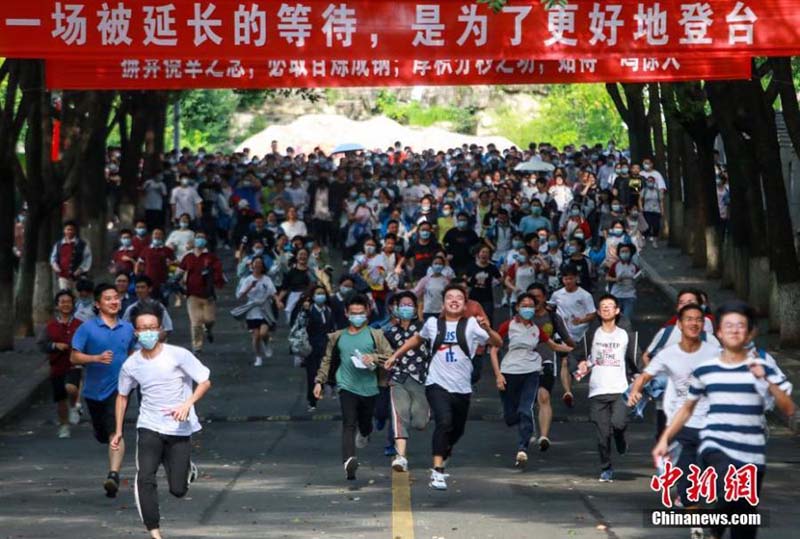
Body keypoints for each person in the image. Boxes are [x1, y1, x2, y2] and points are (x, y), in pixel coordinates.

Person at [652, 301, 796, 539]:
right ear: (718, 332)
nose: (734, 331)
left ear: (751, 332)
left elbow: (789, 409)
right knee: (728, 492)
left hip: (752, 450)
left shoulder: (764, 363)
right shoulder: (706, 368)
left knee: (745, 518)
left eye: (741, 326)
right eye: (728, 326)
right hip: (715, 444)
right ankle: (717, 521)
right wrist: (665, 438)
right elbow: (687, 408)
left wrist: (767, 379)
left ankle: (715, 528)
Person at [386, 284, 502, 491]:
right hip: (436, 384)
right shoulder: (432, 324)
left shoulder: (472, 325)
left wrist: (487, 329)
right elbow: (416, 339)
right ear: (444, 303)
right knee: (444, 422)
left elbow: (498, 342)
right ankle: (437, 472)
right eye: (450, 297)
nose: (454, 300)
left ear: (465, 304)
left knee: (457, 430)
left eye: (459, 297)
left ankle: (446, 451)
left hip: (462, 388)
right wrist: (396, 355)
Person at [113, 306, 211, 539]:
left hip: (179, 428)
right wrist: (118, 431)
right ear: (135, 332)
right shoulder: (131, 364)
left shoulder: (178, 355)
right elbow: (122, 395)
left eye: (152, 327)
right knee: (145, 476)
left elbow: (205, 381)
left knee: (178, 490)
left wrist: (188, 403)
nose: (148, 332)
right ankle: (154, 531)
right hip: (149, 426)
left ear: (160, 330)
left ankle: (187, 469)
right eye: (143, 328)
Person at [627, 303, 719, 515]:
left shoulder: (714, 352)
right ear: (679, 324)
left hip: (712, 422)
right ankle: (695, 521)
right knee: (687, 481)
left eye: (698, 319)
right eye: (689, 319)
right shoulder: (668, 354)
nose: (694, 323)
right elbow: (646, 374)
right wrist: (636, 390)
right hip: (682, 424)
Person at [313, 294, 394, 481]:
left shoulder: (376, 335)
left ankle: (365, 433)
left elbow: (390, 356)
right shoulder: (337, 337)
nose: (357, 316)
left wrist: (373, 358)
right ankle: (349, 461)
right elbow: (327, 360)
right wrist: (319, 381)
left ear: (367, 313)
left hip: (370, 387)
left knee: (365, 423)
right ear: (346, 313)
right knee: (349, 423)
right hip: (346, 386)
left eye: (361, 313)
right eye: (353, 313)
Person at [491, 293, 573, 468]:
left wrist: (574, 349)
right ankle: (519, 427)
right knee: (511, 416)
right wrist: (498, 375)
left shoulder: (537, 330)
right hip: (509, 372)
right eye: (524, 305)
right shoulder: (508, 326)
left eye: (530, 306)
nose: (527, 309)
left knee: (526, 408)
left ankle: (523, 447)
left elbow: (553, 345)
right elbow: (493, 350)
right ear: (517, 307)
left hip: (531, 372)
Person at [70, 283, 136, 497]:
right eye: (108, 298)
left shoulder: (127, 328)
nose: (114, 301)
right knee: (103, 432)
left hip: (120, 389)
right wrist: (95, 358)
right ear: (98, 304)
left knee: (116, 430)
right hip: (94, 390)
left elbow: (133, 352)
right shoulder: (87, 328)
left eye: (116, 297)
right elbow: (74, 356)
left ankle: (114, 474)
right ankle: (105, 436)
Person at [575, 294, 640, 482]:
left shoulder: (625, 335)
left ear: (617, 310)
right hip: (597, 391)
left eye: (610, 306)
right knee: (602, 436)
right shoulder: (591, 335)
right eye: (602, 306)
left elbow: (635, 360)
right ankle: (606, 468)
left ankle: (620, 438)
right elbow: (576, 356)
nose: (606, 309)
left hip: (620, 389)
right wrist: (579, 365)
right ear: (598, 311)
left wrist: (641, 383)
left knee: (618, 424)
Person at [384, 291, 429, 472]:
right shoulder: (389, 333)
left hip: (420, 378)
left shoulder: (424, 329)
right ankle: (401, 457)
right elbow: (382, 353)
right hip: (398, 379)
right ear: (396, 308)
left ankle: (423, 416)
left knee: (420, 422)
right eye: (402, 305)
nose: (406, 308)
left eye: (409, 305)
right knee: (399, 415)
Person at [528, 283, 575, 451]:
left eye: (538, 296)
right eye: (531, 296)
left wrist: (573, 350)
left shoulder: (553, 317)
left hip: (546, 362)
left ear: (544, 297)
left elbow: (567, 339)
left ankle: (544, 436)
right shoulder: (523, 317)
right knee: (528, 401)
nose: (535, 299)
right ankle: (530, 430)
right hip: (523, 364)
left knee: (544, 397)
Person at [37, 290, 83, 438]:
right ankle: (64, 426)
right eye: (62, 302)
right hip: (57, 365)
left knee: (71, 388)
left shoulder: (79, 325)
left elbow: (89, 342)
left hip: (74, 364)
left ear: (73, 304)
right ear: (57, 306)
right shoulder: (50, 326)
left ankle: (74, 405)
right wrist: (55, 346)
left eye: (68, 302)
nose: (66, 305)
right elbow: (41, 344)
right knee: (60, 398)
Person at [551, 265, 596, 408]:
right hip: (562, 334)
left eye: (570, 278)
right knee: (564, 362)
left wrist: (581, 320)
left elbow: (592, 314)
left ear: (576, 278)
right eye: (565, 279)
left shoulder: (585, 295)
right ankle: (568, 392)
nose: (568, 281)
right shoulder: (557, 294)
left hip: (580, 335)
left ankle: (577, 379)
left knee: (576, 364)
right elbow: (550, 308)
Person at [178, 231, 225, 355]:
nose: (200, 240)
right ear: (194, 240)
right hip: (192, 294)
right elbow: (180, 271)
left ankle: (208, 330)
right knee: (195, 322)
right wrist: (176, 282)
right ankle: (197, 346)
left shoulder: (211, 257)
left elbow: (218, 273)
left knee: (210, 319)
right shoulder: (188, 257)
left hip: (208, 295)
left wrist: (216, 280)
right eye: (198, 237)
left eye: (202, 238)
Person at [236, 257, 279, 367]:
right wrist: (250, 287)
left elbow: (273, 292)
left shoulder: (266, 279)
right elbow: (240, 296)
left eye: (260, 263)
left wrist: (278, 301)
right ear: (252, 266)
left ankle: (266, 343)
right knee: (256, 336)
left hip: (264, 308)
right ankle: (258, 357)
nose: (258, 265)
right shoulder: (248, 279)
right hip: (252, 309)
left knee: (263, 333)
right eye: (256, 263)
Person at [301, 285, 335, 411]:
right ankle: (312, 400)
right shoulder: (308, 310)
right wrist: (305, 311)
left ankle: (330, 387)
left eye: (323, 293)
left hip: (327, 345)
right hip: (312, 346)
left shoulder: (329, 310)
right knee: (312, 374)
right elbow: (301, 325)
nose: (321, 296)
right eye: (318, 294)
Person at [135, 227, 176, 302]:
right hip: (148, 283)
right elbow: (139, 264)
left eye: (159, 234)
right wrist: (138, 276)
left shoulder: (168, 250)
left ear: (163, 236)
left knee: (161, 306)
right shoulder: (146, 249)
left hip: (162, 284)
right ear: (152, 235)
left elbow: (174, 266)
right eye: (155, 234)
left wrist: (171, 270)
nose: (157, 236)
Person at [50, 220, 92, 291]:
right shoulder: (58, 244)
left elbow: (87, 258)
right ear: (64, 231)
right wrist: (56, 267)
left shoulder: (82, 244)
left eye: (72, 230)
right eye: (68, 229)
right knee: (65, 294)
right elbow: (53, 258)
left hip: (77, 277)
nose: (70, 232)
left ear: (75, 231)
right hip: (63, 276)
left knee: (76, 295)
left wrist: (80, 269)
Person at [606, 242, 641, 320]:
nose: (625, 253)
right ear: (619, 253)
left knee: (626, 318)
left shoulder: (634, 267)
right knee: (615, 318)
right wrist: (616, 279)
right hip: (617, 295)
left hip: (630, 295)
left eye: (627, 251)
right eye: (622, 252)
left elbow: (638, 279)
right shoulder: (615, 265)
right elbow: (607, 277)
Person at [413, 255, 450, 320]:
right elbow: (415, 292)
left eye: (440, 264)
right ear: (431, 265)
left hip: (442, 312)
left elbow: (449, 297)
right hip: (428, 311)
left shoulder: (446, 281)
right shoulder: (425, 280)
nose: (438, 266)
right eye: (435, 263)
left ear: (443, 266)